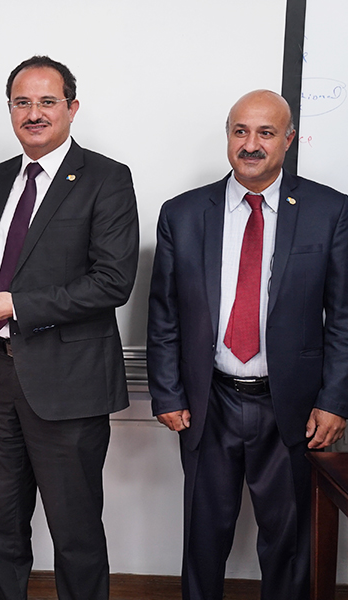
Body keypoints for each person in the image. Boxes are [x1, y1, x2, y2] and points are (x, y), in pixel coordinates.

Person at [147, 89, 348, 600]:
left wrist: (334, 400)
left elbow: (344, 317)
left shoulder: (330, 211)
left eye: (265, 133)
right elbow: (165, 312)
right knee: (203, 538)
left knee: (289, 544)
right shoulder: (183, 213)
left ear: (289, 140)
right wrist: (167, 392)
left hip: (292, 406)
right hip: (208, 402)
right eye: (240, 131)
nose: (251, 144)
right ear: (228, 136)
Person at [0, 56, 139, 600]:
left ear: (72, 108)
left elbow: (112, 282)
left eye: (47, 102)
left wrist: (18, 305)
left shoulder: (107, 178)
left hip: (69, 381)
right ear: (10, 110)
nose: (33, 113)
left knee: (75, 531)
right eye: (22, 102)